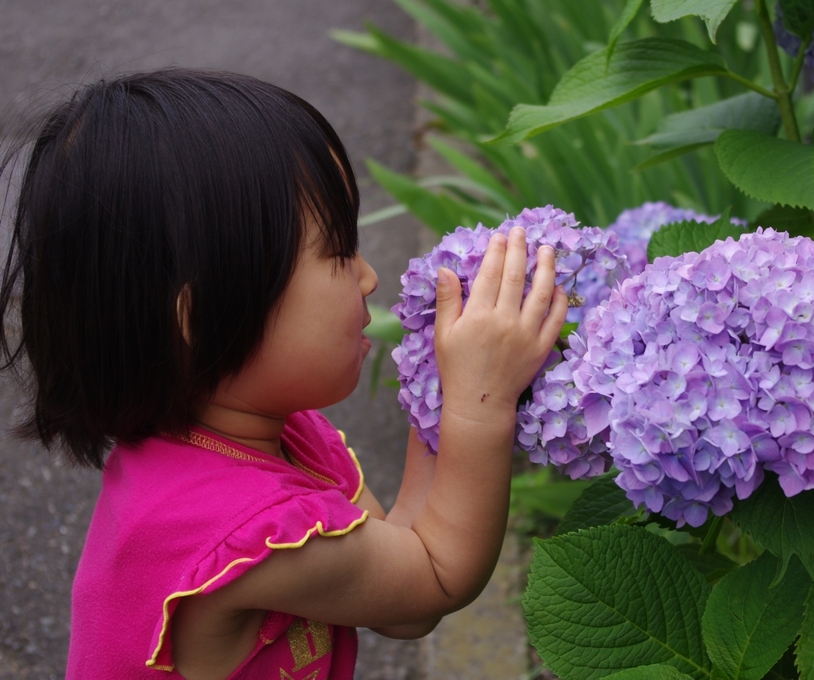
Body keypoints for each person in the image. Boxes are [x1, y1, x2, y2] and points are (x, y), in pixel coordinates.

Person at [0, 69, 568, 680]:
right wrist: (479, 404)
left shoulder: (250, 440)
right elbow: (432, 578)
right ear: (202, 316)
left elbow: (404, 561)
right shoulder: (239, 532)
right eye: (339, 250)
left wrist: (440, 382)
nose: (368, 276)